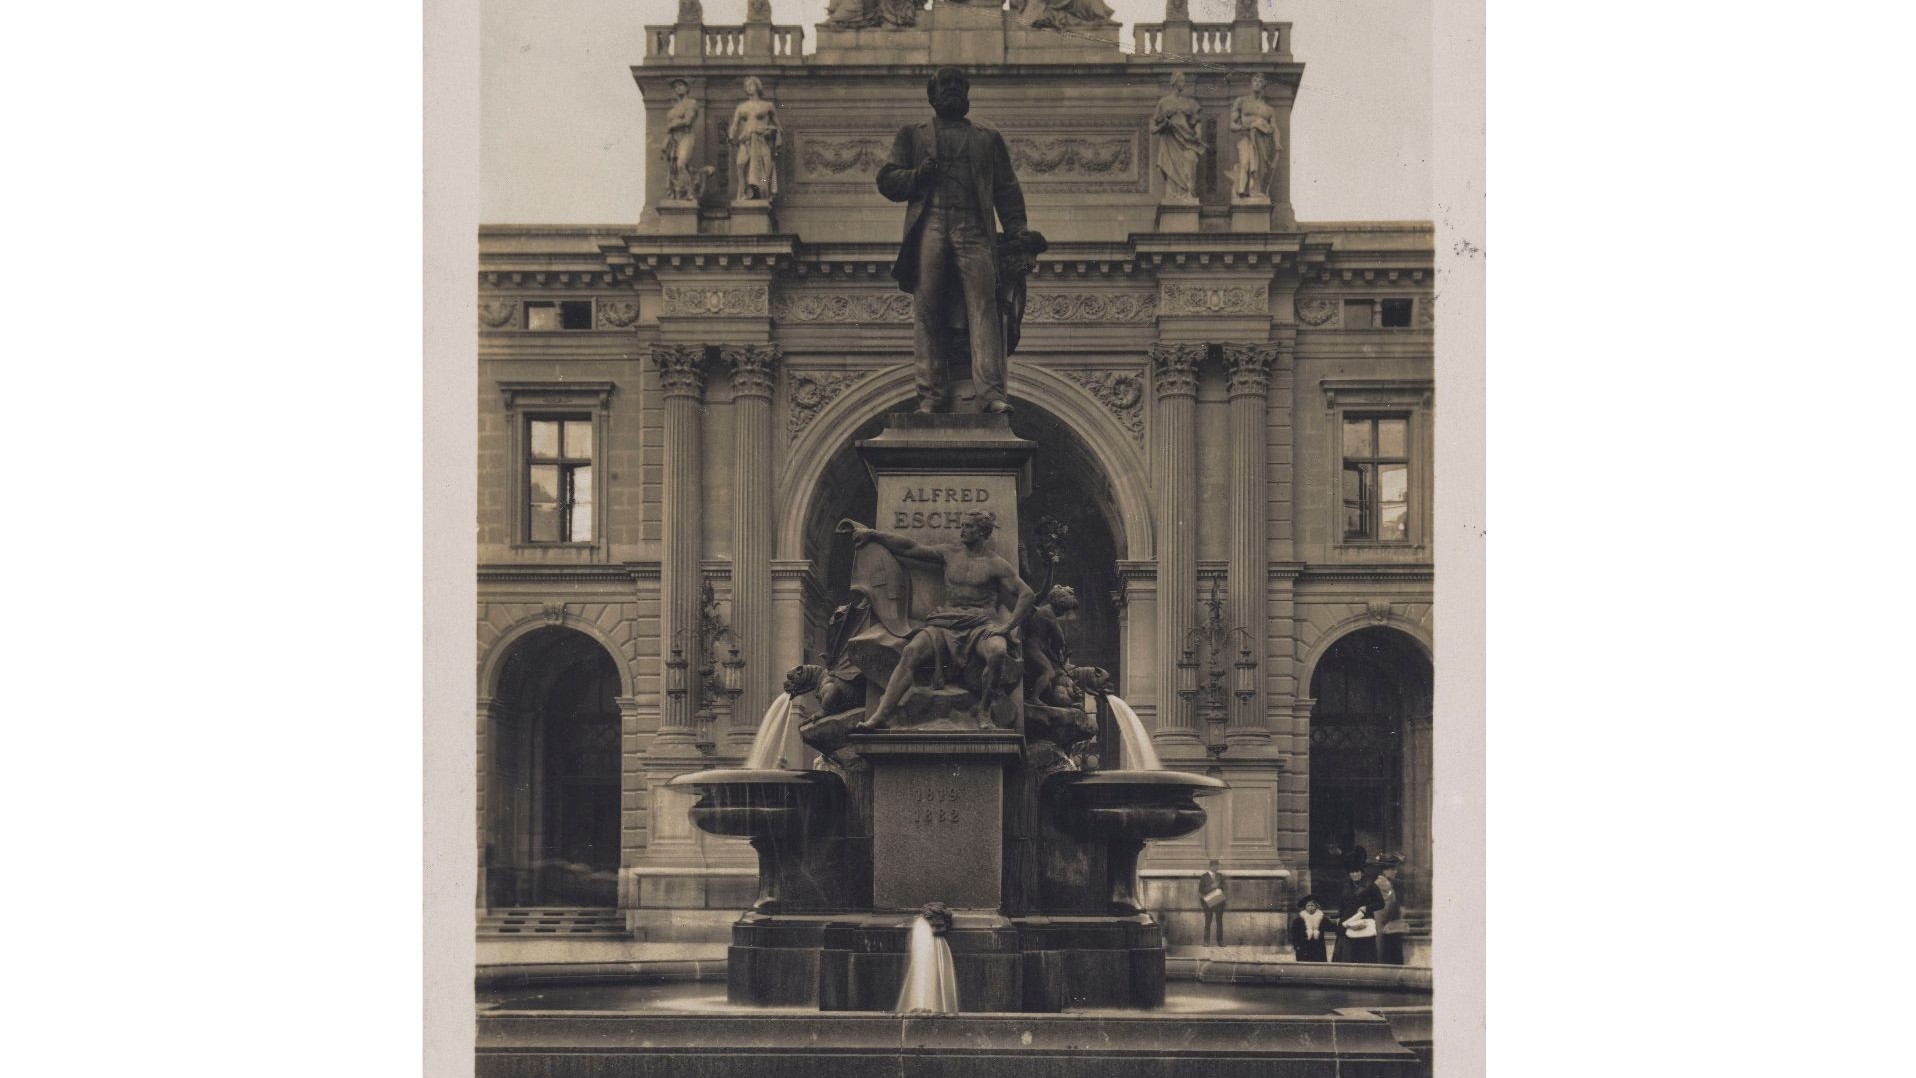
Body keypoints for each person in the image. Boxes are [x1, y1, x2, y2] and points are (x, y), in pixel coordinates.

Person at [877, 67, 1034, 414]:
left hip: (973, 228)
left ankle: (991, 393)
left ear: (968, 95)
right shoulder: (911, 135)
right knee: (928, 309)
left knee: (985, 309)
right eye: (944, 85)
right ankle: (931, 396)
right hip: (930, 227)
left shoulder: (987, 138)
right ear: (931, 96)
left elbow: (1007, 189)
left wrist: (1018, 229)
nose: (952, 90)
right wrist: (918, 175)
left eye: (958, 85)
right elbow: (887, 180)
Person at [840, 510, 1036, 730]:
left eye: (969, 527)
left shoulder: (996, 564)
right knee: (910, 652)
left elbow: (1027, 594)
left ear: (982, 532)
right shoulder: (950, 553)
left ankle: (984, 711)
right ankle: (880, 715)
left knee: (998, 651)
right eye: (962, 525)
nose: (962, 530)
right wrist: (874, 535)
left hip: (980, 625)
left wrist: (1007, 626)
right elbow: (910, 548)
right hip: (945, 623)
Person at [1150, 72, 1203, 201]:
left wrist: (1198, 134)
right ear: (1174, 82)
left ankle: (1188, 194)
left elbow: (1196, 122)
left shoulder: (1188, 103)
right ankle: (1174, 195)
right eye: (1181, 81)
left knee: (1191, 160)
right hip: (1170, 139)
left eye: (1184, 81)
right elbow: (1153, 128)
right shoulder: (1164, 103)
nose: (1183, 84)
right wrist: (1163, 126)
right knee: (1172, 166)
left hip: (1186, 139)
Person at [1228, 73, 1280, 201]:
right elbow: (1232, 125)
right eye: (1255, 80)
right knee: (1245, 163)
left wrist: (1277, 143)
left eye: (1260, 81)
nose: (1257, 83)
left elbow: (1275, 128)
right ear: (1251, 83)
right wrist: (1244, 128)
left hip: (1264, 140)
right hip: (1246, 137)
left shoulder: (1269, 109)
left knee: (1261, 168)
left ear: (1264, 85)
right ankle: (1242, 191)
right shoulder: (1242, 102)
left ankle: (1256, 192)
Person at [728, 76, 781, 201]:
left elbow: (778, 126)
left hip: (762, 141)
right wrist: (731, 136)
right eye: (747, 86)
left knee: (764, 171)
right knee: (741, 165)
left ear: (758, 87)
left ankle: (763, 195)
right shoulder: (742, 107)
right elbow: (734, 125)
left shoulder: (767, 105)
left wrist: (770, 131)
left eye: (751, 85)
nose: (749, 88)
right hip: (745, 141)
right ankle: (745, 193)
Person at [1334, 848, 1382, 963]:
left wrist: (1367, 907)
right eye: (1351, 872)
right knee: (1346, 956)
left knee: (1364, 956)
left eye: (1357, 871)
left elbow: (1380, 903)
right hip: (1347, 922)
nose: (1354, 874)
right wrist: (1338, 917)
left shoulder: (1371, 886)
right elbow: (1341, 903)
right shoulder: (1345, 886)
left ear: (1361, 871)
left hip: (1363, 923)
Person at [660, 79, 703, 201]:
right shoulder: (672, 110)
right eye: (675, 86)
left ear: (686, 88)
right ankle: (680, 194)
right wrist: (665, 142)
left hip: (686, 136)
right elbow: (670, 129)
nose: (678, 88)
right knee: (674, 168)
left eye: (680, 85)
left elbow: (688, 121)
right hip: (674, 139)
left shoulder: (691, 103)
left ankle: (689, 193)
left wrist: (673, 124)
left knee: (680, 164)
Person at [1372, 853, 1407, 965]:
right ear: (1385, 871)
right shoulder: (1383, 885)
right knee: (1384, 955)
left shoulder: (1386, 884)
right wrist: (1399, 911)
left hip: (1385, 925)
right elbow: (1387, 908)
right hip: (1384, 926)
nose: (1395, 871)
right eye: (1393, 869)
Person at [1288, 894, 1329, 962]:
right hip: (1304, 948)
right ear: (1305, 907)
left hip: (1318, 948)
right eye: (1308, 906)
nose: (1310, 907)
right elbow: (1294, 935)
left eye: (1312, 905)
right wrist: (1296, 946)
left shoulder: (1321, 919)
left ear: (1316, 907)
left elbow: (1330, 927)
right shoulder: (1298, 921)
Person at [1198, 860, 1229, 947]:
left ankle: (1220, 941)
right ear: (1211, 866)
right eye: (1216, 866)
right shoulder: (1204, 877)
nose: (1217, 868)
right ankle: (1206, 941)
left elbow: (1224, 888)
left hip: (1218, 902)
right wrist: (1211, 887)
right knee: (1208, 922)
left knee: (1219, 922)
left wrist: (1220, 892)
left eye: (1218, 866)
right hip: (1208, 902)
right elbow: (1201, 890)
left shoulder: (1220, 876)